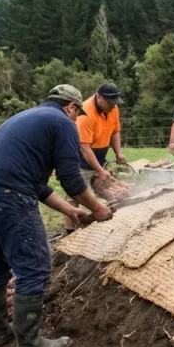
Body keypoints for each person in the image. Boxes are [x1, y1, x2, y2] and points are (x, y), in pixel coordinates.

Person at [0, 85, 113, 347]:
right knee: (34, 265)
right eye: (76, 113)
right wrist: (96, 207)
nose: (76, 118)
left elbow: (37, 186)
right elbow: (71, 178)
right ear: (71, 107)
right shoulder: (63, 124)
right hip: (7, 192)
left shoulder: (30, 118)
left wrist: (71, 209)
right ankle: (30, 344)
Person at [63, 82, 126, 235]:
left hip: (99, 155)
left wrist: (118, 153)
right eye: (110, 103)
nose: (113, 107)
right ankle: (71, 231)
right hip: (80, 159)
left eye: (115, 103)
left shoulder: (113, 108)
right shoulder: (85, 114)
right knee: (78, 195)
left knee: (102, 192)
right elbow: (84, 148)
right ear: (99, 98)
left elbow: (115, 131)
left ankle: (92, 227)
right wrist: (100, 170)